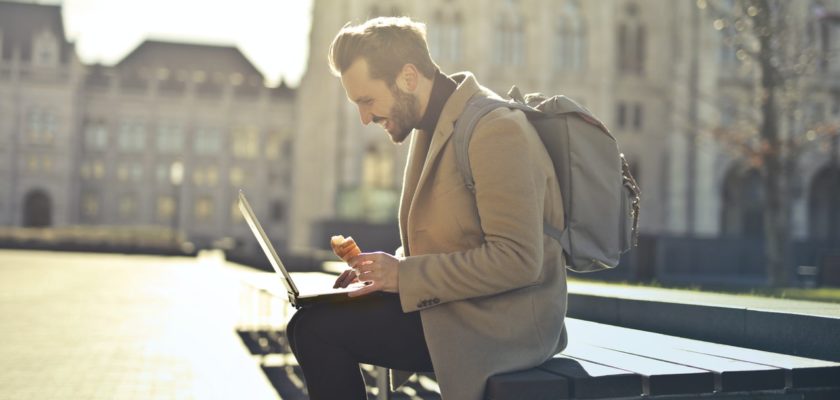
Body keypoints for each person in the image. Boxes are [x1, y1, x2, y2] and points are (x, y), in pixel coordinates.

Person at [286, 16, 568, 400]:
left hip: (504, 325)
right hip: (459, 308)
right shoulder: (432, 127)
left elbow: (518, 259)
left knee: (315, 329)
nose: (364, 118)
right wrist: (382, 274)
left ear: (407, 77)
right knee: (311, 323)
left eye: (367, 101)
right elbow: (453, 238)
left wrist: (403, 275)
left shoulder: (496, 129)